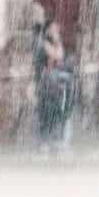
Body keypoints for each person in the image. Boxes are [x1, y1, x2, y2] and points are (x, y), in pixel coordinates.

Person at [32, 14, 69, 151]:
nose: (56, 32)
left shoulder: (49, 43)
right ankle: (44, 140)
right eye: (53, 29)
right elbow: (58, 55)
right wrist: (57, 41)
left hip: (53, 84)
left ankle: (51, 139)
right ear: (47, 30)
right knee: (46, 110)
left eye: (57, 29)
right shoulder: (42, 43)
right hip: (45, 84)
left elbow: (60, 56)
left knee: (55, 109)